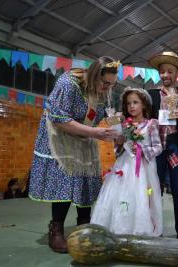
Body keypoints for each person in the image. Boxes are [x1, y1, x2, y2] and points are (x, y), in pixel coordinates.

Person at [29, 56, 120, 253]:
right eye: (105, 82)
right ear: (95, 75)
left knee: (86, 178)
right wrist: (94, 133)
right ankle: (57, 230)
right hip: (59, 133)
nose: (107, 87)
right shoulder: (68, 84)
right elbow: (60, 118)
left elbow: (106, 115)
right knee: (65, 178)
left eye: (111, 84)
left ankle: (84, 228)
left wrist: (121, 130)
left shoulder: (103, 92)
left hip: (83, 133)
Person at [91, 88, 163, 236]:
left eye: (135, 102)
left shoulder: (151, 124)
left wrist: (143, 151)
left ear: (144, 104)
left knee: (141, 195)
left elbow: (158, 147)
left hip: (143, 169)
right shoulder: (124, 125)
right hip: (124, 167)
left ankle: (140, 228)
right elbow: (119, 151)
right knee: (122, 195)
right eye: (129, 103)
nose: (132, 106)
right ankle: (119, 227)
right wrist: (119, 142)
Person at [148, 51, 178, 247]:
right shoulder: (151, 95)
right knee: (154, 189)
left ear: (177, 73)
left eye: (169, 71)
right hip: (156, 149)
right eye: (162, 72)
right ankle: (155, 228)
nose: (166, 75)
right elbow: (143, 119)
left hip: (176, 147)